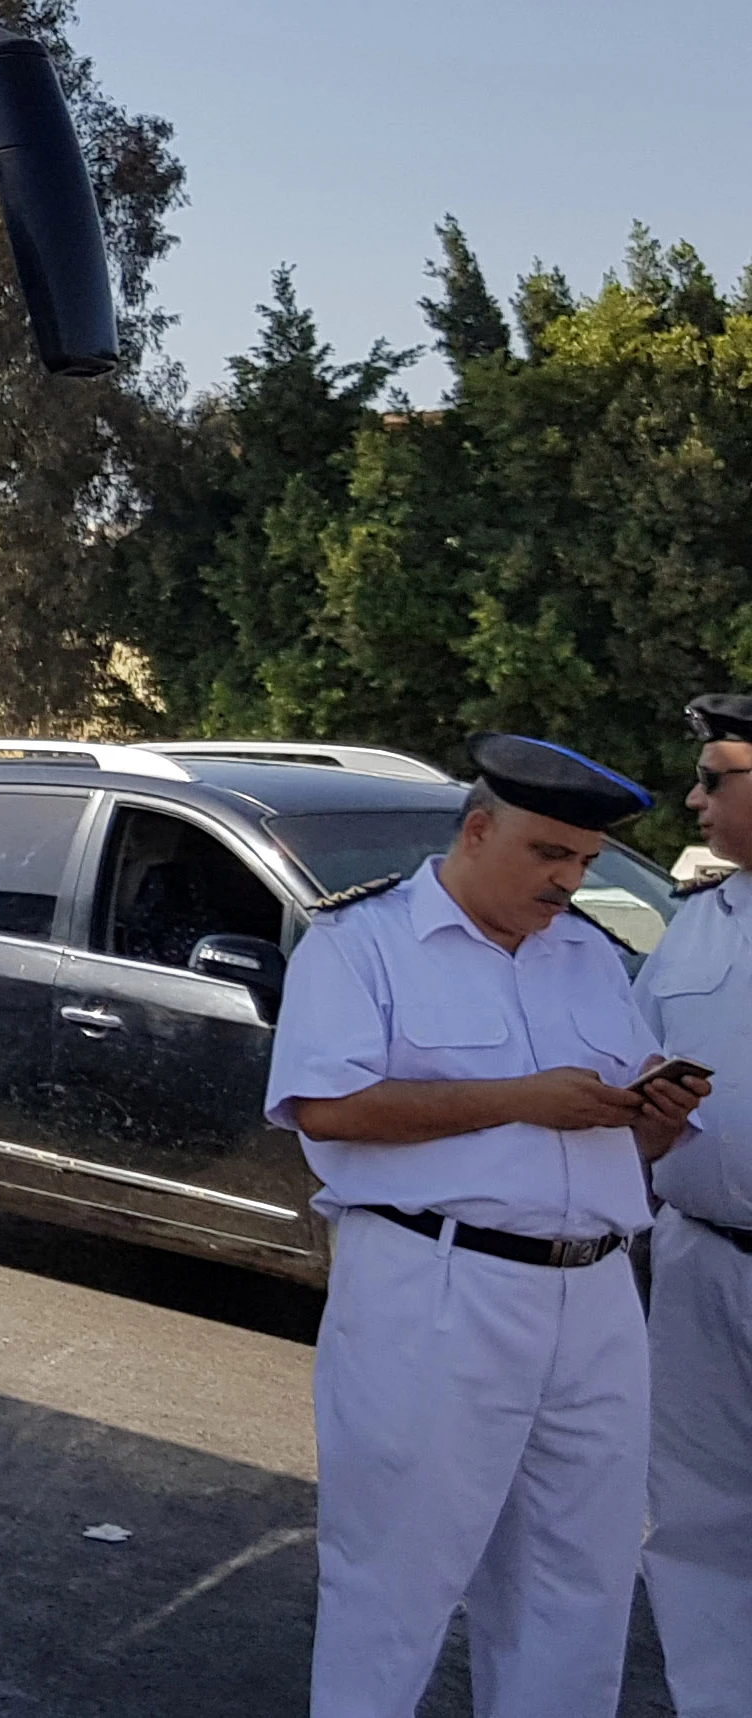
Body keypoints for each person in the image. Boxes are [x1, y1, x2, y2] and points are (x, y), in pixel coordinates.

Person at [267, 733, 709, 1718]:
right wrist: (516, 1099)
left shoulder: (588, 956)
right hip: (438, 1284)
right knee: (396, 1578)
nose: (567, 882)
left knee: (578, 1580)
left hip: (594, 1292)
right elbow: (326, 1110)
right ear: (478, 829)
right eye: (549, 855)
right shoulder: (362, 942)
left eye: (584, 864)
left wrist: (652, 1126)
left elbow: (608, 1141)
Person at [646, 693, 752, 1717]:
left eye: (715, 778)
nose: (693, 798)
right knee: (699, 1520)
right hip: (699, 1261)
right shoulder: (695, 923)